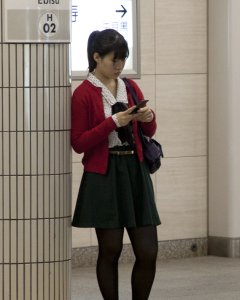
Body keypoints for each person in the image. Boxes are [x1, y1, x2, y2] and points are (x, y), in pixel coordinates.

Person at [71, 29, 161, 300]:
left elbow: (150, 131)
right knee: (109, 251)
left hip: (135, 171)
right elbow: (79, 143)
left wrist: (147, 116)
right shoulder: (84, 93)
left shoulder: (130, 87)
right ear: (96, 57)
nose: (119, 65)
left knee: (148, 251)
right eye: (114, 59)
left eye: (123, 59)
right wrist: (113, 123)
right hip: (105, 174)